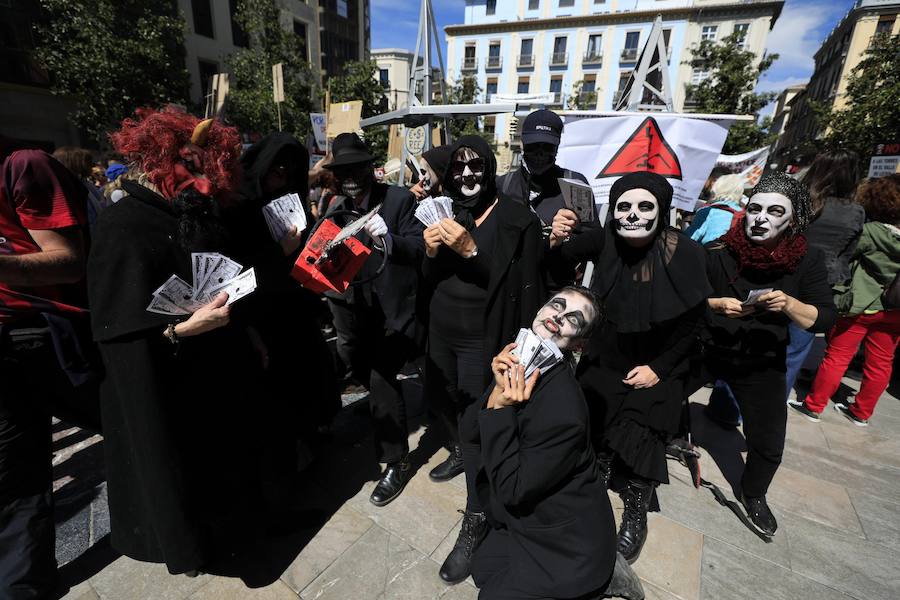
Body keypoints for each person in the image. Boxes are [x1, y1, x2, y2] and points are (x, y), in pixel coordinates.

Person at [87, 109, 267, 575]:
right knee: (182, 474)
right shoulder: (122, 224)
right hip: (166, 388)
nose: (204, 184)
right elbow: (118, 335)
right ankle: (191, 547)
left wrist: (246, 333)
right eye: (191, 166)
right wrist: (179, 330)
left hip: (218, 375)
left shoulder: (198, 215)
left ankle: (231, 532)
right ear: (162, 159)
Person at [548, 171, 711, 563]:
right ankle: (594, 478)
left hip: (661, 360)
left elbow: (694, 325)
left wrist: (659, 368)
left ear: (662, 211)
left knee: (646, 427)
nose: (633, 214)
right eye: (623, 206)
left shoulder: (686, 252)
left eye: (644, 206)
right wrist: (556, 237)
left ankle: (636, 505)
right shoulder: (604, 238)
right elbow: (556, 262)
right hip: (607, 352)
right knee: (593, 420)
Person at [420, 135, 547, 584]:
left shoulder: (517, 219)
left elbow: (524, 285)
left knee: (479, 422)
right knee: (447, 403)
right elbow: (427, 277)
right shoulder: (447, 210)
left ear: (490, 169)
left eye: (476, 166)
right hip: (441, 335)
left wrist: (471, 251)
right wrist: (430, 251)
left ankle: (476, 516)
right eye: (457, 168)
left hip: (484, 340)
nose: (467, 175)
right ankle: (462, 452)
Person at [465, 287, 644, 600]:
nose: (558, 316)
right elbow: (469, 431)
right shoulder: (518, 359)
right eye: (556, 305)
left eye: (574, 319)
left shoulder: (566, 411)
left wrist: (501, 410)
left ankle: (605, 575)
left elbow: (512, 490)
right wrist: (495, 392)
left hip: (569, 545)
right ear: (540, 310)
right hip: (526, 515)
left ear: (579, 344)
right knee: (483, 568)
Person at [688, 173, 836, 537]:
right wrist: (714, 304)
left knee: (769, 441)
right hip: (708, 347)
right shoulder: (720, 250)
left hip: (761, 359)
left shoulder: (807, 260)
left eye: (774, 211)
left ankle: (754, 493)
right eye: (755, 208)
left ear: (792, 219)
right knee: (657, 392)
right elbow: (687, 298)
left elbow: (824, 317)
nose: (761, 218)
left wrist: (789, 304)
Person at [0, 135, 96, 599]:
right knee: (14, 474)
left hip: (46, 335)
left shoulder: (23, 166)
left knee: (129, 421)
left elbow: (69, 262)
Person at [229, 132, 341, 508]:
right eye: (275, 168)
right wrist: (280, 251)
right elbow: (237, 273)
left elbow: (302, 258)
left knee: (305, 385)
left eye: (290, 170)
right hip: (257, 320)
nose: (282, 175)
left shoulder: (292, 203)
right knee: (272, 405)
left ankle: (306, 447)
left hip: (294, 313)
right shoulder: (238, 207)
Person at [321, 132, 425, 507]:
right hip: (357, 312)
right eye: (342, 171)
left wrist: (389, 240)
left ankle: (396, 460)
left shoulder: (398, 200)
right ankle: (386, 410)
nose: (350, 178)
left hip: (397, 311)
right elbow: (325, 263)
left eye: (356, 169)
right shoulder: (335, 209)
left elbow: (419, 247)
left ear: (370, 168)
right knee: (363, 370)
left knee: (383, 380)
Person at [791, 174, 900, 426]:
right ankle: (861, 413)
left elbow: (846, 254)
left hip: (860, 305)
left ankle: (813, 406)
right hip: (895, 310)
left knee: (838, 355)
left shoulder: (872, 232)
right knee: (882, 363)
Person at [784, 150, 864, 399]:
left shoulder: (798, 200)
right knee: (795, 350)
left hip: (783, 273)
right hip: (819, 286)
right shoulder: (855, 212)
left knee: (759, 340)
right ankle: (771, 406)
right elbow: (847, 255)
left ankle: (732, 405)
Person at [496, 109, 593, 254]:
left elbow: (593, 238)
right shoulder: (503, 184)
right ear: (522, 144)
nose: (539, 155)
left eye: (547, 147)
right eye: (533, 146)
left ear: (557, 147)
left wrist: (567, 235)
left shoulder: (575, 184)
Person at [684, 173, 746, 245]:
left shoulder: (708, 211)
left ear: (717, 187)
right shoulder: (743, 214)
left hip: (708, 250)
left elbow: (690, 238)